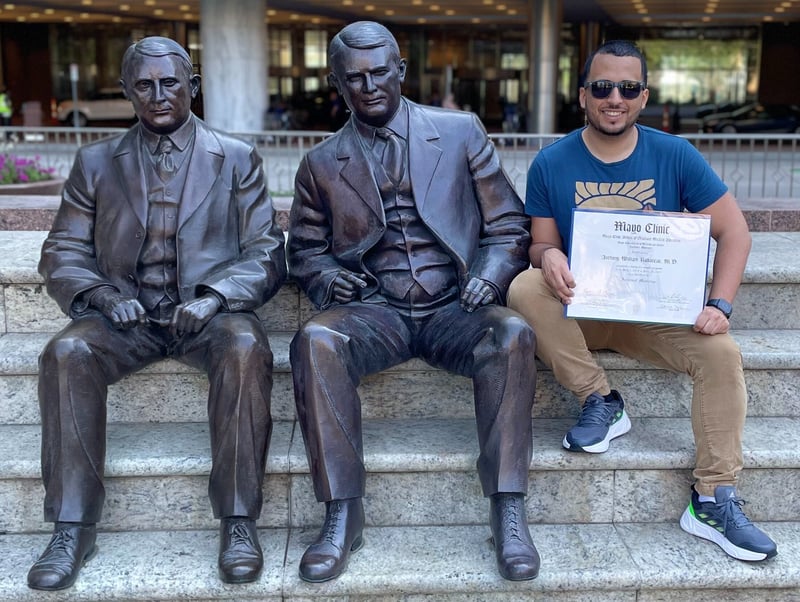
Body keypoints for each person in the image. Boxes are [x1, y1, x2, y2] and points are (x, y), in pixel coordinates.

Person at [27, 36, 287, 590]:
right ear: (126, 91)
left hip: (208, 316)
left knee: (244, 346)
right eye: (144, 85)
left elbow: (267, 248)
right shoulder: (95, 161)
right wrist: (101, 296)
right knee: (67, 351)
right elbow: (61, 250)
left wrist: (215, 296)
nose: (159, 94)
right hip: (125, 315)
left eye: (171, 82)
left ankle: (239, 521)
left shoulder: (236, 158)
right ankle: (72, 526)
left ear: (192, 86)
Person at [287, 21, 539, 583]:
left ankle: (508, 510)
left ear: (401, 70)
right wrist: (330, 279)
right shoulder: (322, 162)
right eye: (354, 78)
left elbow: (509, 225)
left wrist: (491, 275)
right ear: (337, 83)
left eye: (380, 72)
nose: (369, 85)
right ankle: (341, 513)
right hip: (377, 310)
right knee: (315, 338)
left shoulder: (459, 132)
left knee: (514, 335)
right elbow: (303, 250)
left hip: (457, 304)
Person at [507, 39, 777, 563]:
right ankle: (601, 401)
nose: (615, 98)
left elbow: (735, 232)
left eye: (627, 88)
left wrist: (718, 305)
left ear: (643, 95)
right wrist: (550, 257)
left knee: (722, 356)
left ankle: (712, 497)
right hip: (579, 310)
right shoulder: (552, 161)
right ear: (583, 94)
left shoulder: (674, 155)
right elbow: (541, 242)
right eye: (603, 87)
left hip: (651, 314)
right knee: (523, 284)